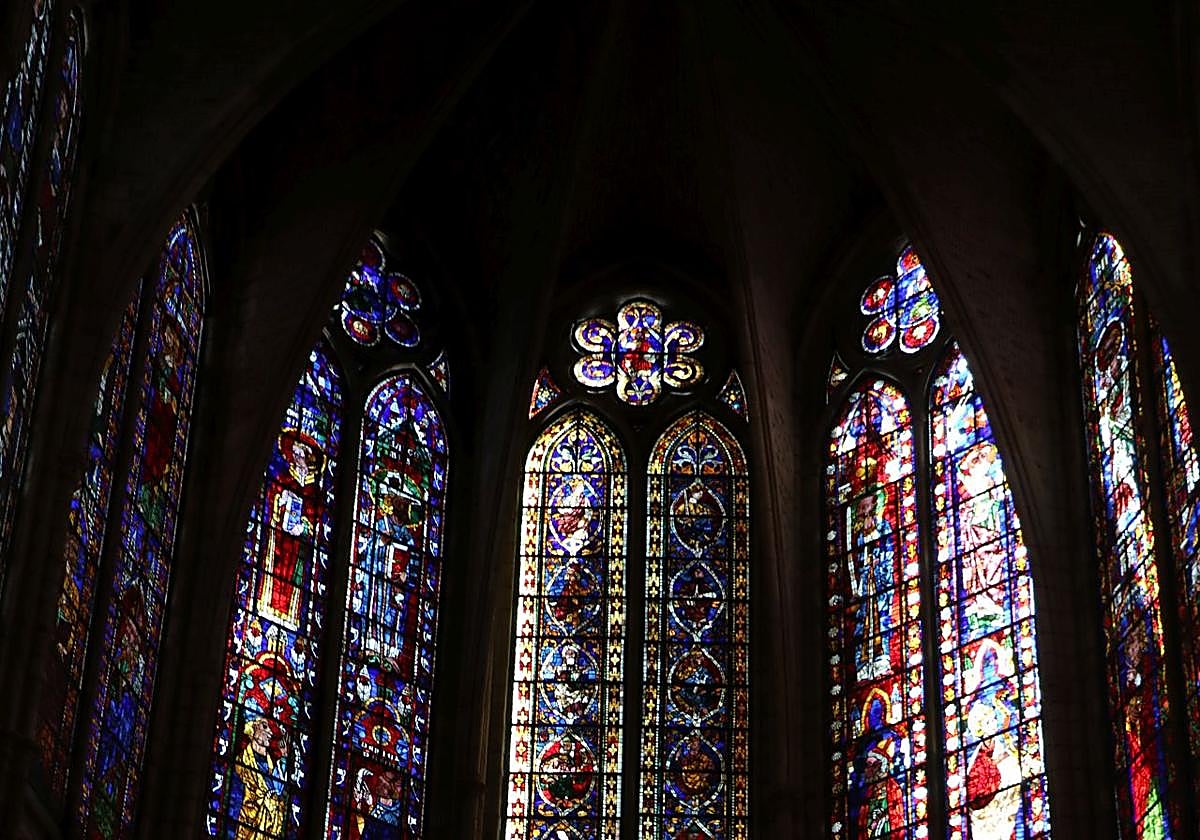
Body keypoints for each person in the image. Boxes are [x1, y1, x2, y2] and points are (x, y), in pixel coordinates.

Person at [258, 430, 322, 629]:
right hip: (279, 538)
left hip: (299, 542)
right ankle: (267, 604)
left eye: (301, 454)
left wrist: (304, 526)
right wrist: (281, 502)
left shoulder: (314, 491)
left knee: (296, 577)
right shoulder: (283, 478)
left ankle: (291, 614)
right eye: (294, 454)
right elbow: (272, 500)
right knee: (276, 569)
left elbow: (316, 518)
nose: (297, 458)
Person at [232, 718, 287, 839]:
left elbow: (278, 788)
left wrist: (283, 759)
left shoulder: (272, 765)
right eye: (265, 727)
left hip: (270, 823)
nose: (270, 733)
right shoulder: (242, 760)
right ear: (255, 729)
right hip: (250, 818)